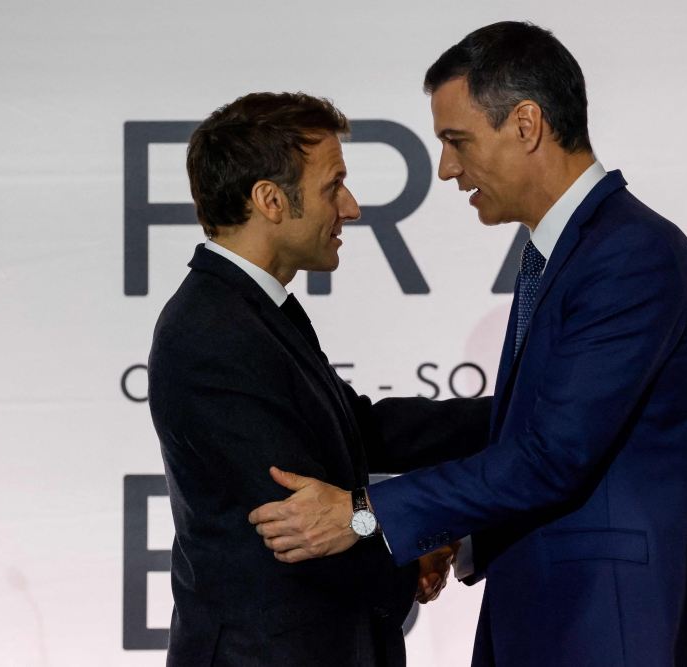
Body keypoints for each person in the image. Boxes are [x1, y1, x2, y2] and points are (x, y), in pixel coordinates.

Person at [249, 22, 687, 667]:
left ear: (526, 124)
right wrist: (462, 532)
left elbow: (552, 456)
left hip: (607, 627)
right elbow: (549, 440)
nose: (446, 169)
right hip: (555, 616)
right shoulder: (572, 253)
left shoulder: (630, 256)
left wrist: (365, 512)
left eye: (456, 141)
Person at [148, 92, 491, 667]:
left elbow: (358, 430)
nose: (351, 208)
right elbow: (298, 520)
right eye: (334, 185)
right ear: (270, 200)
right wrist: (411, 556)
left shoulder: (252, 311)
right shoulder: (213, 331)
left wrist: (522, 413)